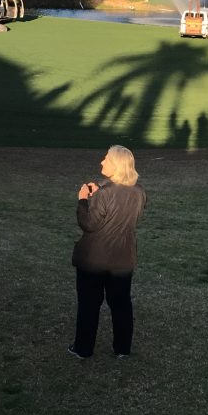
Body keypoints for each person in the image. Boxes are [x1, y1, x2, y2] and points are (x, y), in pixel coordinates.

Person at [70, 145, 146, 360]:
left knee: (89, 304)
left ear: (116, 165)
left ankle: (83, 348)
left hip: (94, 260)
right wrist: (100, 189)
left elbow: (88, 224)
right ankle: (122, 348)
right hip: (123, 259)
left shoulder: (104, 195)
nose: (102, 162)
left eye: (106, 159)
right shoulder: (139, 192)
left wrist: (83, 199)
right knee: (121, 303)